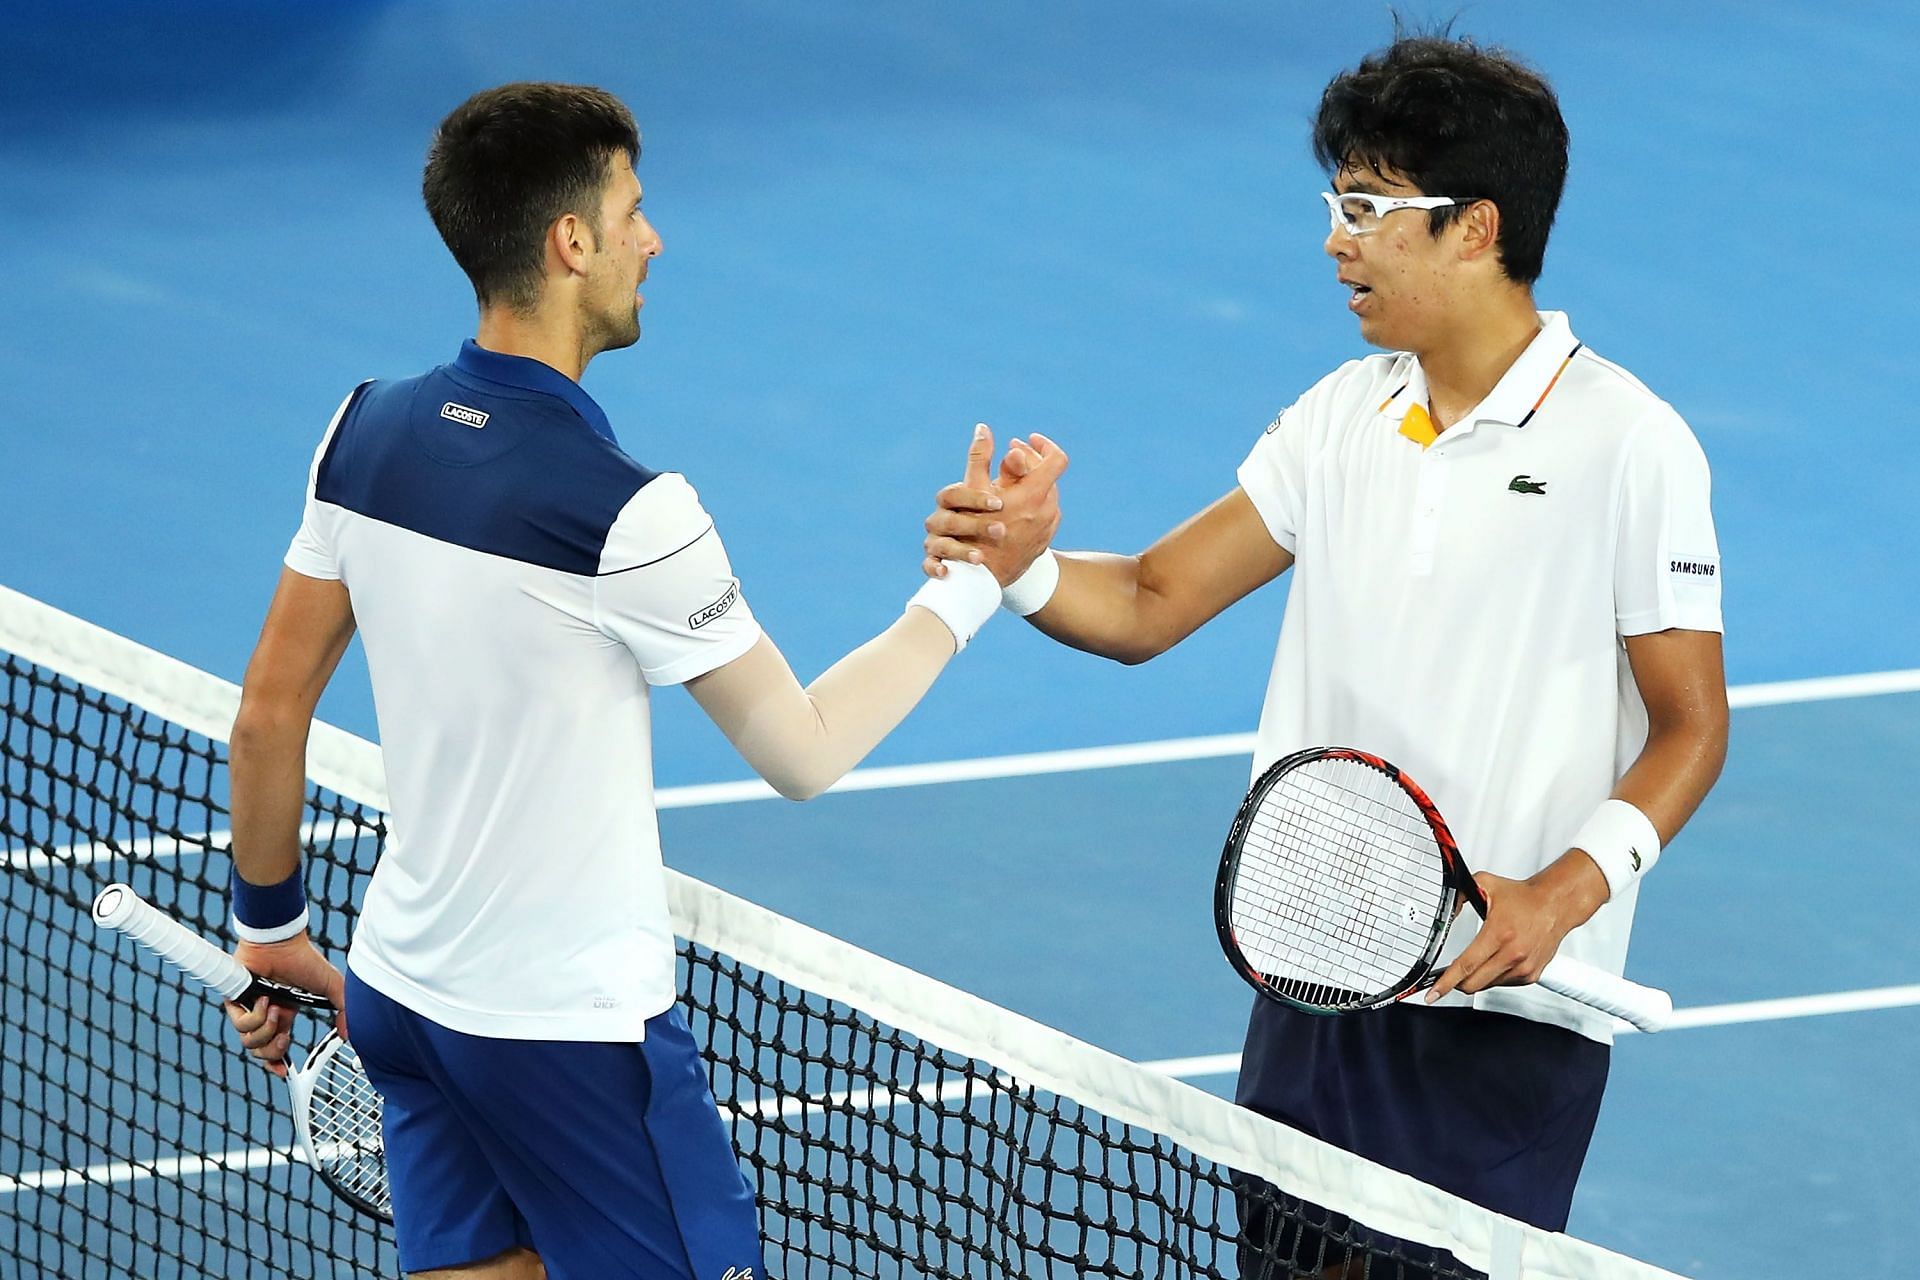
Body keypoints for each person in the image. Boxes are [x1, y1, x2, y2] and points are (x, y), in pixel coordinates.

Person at [219, 82, 1055, 1280]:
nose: (651, 239)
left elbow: (268, 710)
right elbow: (804, 750)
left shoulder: (362, 431)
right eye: (633, 211)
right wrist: (975, 584)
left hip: (404, 997)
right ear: (570, 243)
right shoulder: (627, 509)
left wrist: (271, 927)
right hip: (568, 1036)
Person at [922, 33, 1728, 1272]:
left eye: (1366, 208)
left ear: (1474, 228)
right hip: (1314, 972)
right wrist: (1018, 562)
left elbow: (1691, 722)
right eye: (1334, 205)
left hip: (1495, 1006)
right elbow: (1146, 598)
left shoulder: (1631, 444)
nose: (1335, 240)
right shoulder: (1340, 416)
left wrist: (1562, 893)